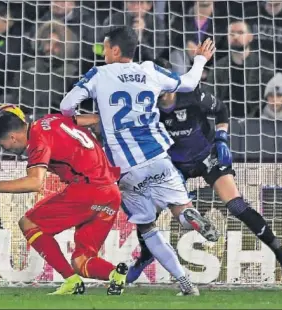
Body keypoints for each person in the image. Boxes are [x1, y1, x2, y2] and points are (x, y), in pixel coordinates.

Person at [59, 26, 219, 296]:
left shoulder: (99, 73)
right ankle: (186, 216)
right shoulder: (150, 70)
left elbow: (66, 105)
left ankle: (185, 282)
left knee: (146, 227)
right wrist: (201, 59)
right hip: (158, 156)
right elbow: (190, 83)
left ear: (115, 50)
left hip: (123, 168)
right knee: (180, 207)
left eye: (105, 47)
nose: (103, 52)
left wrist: (89, 117)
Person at [126, 58, 282, 285]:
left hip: (207, 155)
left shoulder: (192, 96)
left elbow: (221, 110)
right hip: (174, 164)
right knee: (146, 212)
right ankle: (146, 256)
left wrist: (221, 138)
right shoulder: (146, 106)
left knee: (236, 205)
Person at [0, 105, 127, 295]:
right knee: (81, 261)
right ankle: (116, 274)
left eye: (3, 144)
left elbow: (34, 182)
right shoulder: (52, 120)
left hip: (89, 189)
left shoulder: (37, 140)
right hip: (111, 192)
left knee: (29, 223)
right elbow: (96, 119)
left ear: (12, 137)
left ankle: (71, 282)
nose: (5, 149)